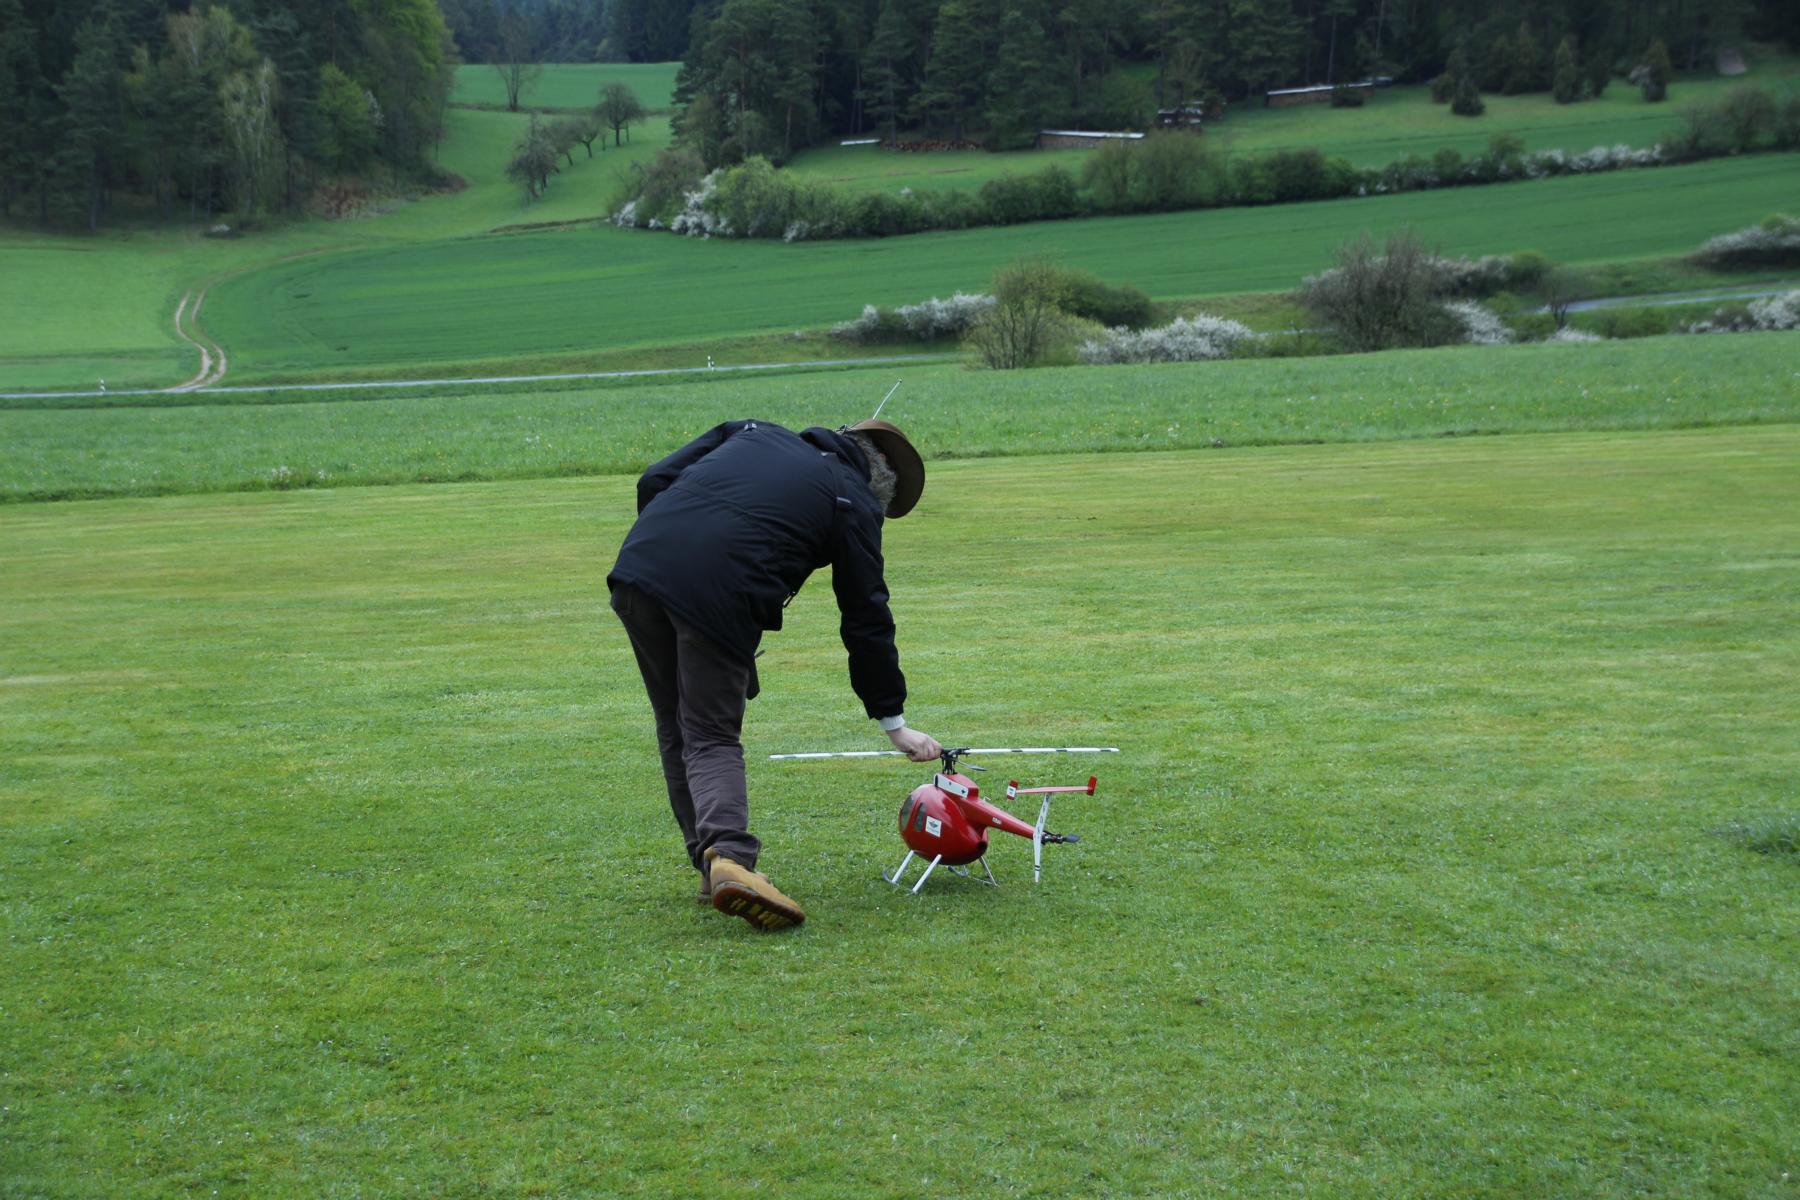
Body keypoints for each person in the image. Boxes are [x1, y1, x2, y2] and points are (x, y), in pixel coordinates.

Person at [608, 418, 943, 931]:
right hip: (716, 592)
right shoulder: (852, 500)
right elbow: (866, 617)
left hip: (639, 569)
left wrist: (670, 556)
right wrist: (893, 722)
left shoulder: (750, 431)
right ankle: (730, 858)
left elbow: (653, 479)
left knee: (677, 725)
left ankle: (710, 866)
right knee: (711, 732)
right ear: (881, 478)